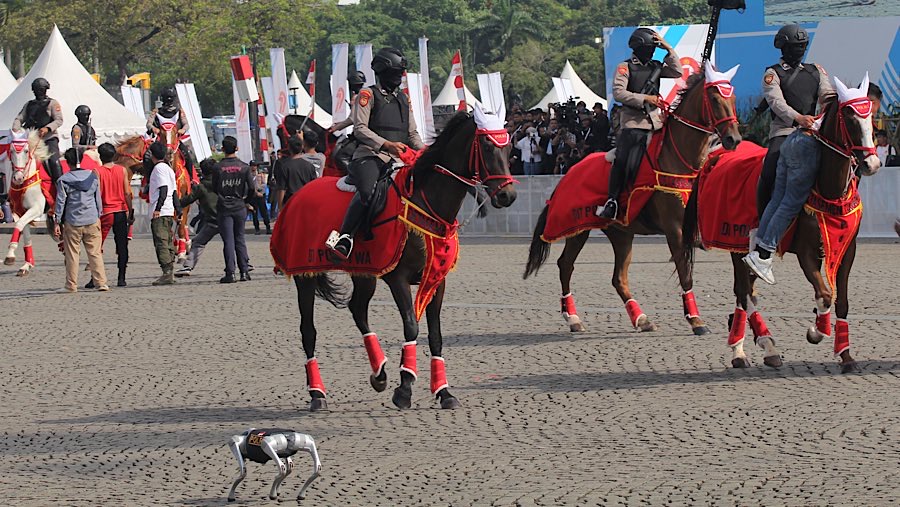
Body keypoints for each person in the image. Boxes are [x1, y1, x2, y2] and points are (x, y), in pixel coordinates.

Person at [744, 80, 879, 283]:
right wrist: (798, 117)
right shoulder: (821, 81)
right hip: (804, 142)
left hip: (792, 139)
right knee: (790, 202)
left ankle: (760, 249)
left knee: (778, 198)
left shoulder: (828, 90)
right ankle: (764, 253)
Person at [326, 47, 425, 260]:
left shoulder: (404, 99)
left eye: (401, 73)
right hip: (370, 156)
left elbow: (412, 133)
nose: (399, 77)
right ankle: (343, 238)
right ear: (382, 73)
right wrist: (386, 144)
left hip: (401, 158)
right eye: (396, 73)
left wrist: (425, 151)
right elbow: (360, 128)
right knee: (368, 191)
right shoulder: (367, 94)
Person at [597, 28, 681, 219]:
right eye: (650, 47)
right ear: (639, 48)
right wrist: (645, 98)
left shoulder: (656, 67)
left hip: (656, 124)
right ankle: (613, 201)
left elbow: (677, 71)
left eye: (654, 47)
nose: (652, 51)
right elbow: (619, 93)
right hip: (634, 124)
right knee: (623, 160)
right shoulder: (624, 67)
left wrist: (668, 48)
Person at [756, 24, 832, 217]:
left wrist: (829, 111)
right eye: (795, 46)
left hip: (814, 131)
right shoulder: (772, 74)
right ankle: (761, 217)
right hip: (784, 131)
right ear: (783, 47)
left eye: (802, 45)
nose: (799, 50)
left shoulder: (816, 71)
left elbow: (827, 96)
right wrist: (798, 118)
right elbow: (776, 103)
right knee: (769, 170)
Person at [53, 148, 108, 293]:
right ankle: (101, 282)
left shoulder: (64, 180)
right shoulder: (93, 177)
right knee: (95, 253)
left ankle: (71, 285)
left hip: (73, 221)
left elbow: (60, 203)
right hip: (92, 219)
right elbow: (98, 199)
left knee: (72, 254)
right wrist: (99, 215)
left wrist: (57, 221)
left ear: (68, 162)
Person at [85, 143, 133, 288]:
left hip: (105, 212)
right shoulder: (122, 170)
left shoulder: (97, 171)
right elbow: (127, 193)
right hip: (120, 210)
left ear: (100, 156)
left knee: (97, 246)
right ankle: (121, 277)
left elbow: (95, 194)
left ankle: (96, 278)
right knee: (122, 245)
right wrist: (130, 210)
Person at [212, 136, 254, 283]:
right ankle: (244, 272)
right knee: (240, 239)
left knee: (228, 240)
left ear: (222, 149)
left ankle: (230, 273)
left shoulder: (217, 168)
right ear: (237, 148)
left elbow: (214, 187)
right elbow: (252, 188)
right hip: (239, 205)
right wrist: (246, 202)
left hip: (224, 206)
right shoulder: (244, 167)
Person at [12, 78, 63, 184]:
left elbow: (59, 120)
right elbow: (19, 118)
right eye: (36, 89)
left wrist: (47, 128)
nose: (38, 92)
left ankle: (60, 187)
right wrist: (15, 129)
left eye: (41, 89)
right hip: (31, 140)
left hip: (48, 138)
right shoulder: (29, 104)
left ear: (45, 90)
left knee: (55, 161)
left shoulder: (53, 103)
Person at [176, 158, 219, 277]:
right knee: (235, 241)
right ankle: (245, 264)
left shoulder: (201, 186)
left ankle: (188, 266)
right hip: (227, 218)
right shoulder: (221, 182)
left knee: (198, 242)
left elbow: (187, 200)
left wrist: (175, 202)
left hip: (212, 220)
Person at [143, 87, 194, 179]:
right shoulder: (156, 111)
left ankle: (191, 179)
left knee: (187, 155)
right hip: (160, 141)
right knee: (147, 156)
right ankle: (148, 180)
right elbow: (148, 124)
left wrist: (183, 130)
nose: (169, 100)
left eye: (170, 97)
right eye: (167, 97)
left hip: (175, 141)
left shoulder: (179, 111)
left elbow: (186, 124)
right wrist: (154, 128)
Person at [147, 142, 179, 286]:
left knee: (161, 242)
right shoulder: (168, 168)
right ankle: (169, 270)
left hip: (161, 210)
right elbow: (174, 192)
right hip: (169, 209)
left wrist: (158, 208)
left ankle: (167, 272)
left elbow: (165, 189)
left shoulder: (159, 169)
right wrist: (178, 209)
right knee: (167, 240)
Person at [274, 136, 318, 210]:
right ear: (302, 147)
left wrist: (280, 208)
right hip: (306, 203)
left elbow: (281, 189)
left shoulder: (284, 167)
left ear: (289, 148)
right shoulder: (310, 166)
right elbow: (314, 187)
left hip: (291, 203)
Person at [249, 162, 271, 235]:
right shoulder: (248, 175)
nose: (254, 167)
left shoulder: (260, 174)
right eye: (252, 166)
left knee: (264, 212)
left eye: (255, 166)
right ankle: (257, 229)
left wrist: (261, 192)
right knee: (254, 213)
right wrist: (255, 192)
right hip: (253, 196)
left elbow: (264, 184)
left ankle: (268, 227)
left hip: (261, 195)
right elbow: (249, 186)